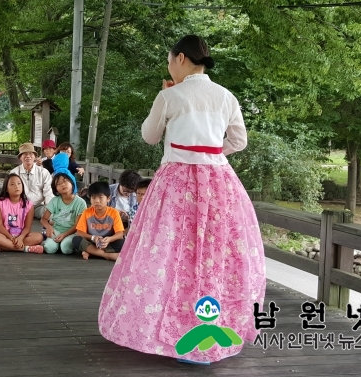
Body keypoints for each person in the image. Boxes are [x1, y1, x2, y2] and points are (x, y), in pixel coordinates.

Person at [98, 35, 265, 365]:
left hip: (176, 182)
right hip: (219, 182)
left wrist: (166, 98)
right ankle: (213, 330)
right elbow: (239, 141)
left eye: (170, 59)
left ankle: (169, 331)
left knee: (167, 253)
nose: (169, 65)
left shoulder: (170, 96)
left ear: (182, 59)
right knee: (215, 254)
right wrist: (213, 155)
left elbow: (149, 136)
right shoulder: (226, 97)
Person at [41, 154, 87, 255]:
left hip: (73, 231)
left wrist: (65, 235)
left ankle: (66, 243)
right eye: (58, 183)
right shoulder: (54, 201)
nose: (62, 184)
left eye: (65, 181)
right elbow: (44, 219)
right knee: (49, 248)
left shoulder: (80, 202)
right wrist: (49, 227)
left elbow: (77, 225)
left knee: (66, 249)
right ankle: (54, 242)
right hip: (56, 229)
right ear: (55, 189)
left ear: (72, 183)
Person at [70, 181, 124, 261]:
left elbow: (120, 234)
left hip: (107, 242)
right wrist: (93, 237)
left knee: (122, 242)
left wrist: (109, 239)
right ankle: (106, 255)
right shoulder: (87, 212)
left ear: (108, 198)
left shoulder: (114, 212)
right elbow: (79, 232)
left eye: (100, 197)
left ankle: (91, 252)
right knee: (76, 240)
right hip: (92, 241)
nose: (97, 201)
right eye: (94, 198)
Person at [0, 173, 44, 253]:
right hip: (5, 235)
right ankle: (25, 248)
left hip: (22, 236)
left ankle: (3, 247)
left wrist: (20, 238)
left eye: (19, 183)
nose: (16, 186)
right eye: (12, 184)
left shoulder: (29, 205)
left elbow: (27, 228)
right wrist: (11, 238)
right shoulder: (0, 203)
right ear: (6, 189)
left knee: (39, 237)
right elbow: (0, 226)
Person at [10, 142, 54, 220]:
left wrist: (48, 207)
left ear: (35, 156)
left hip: (38, 206)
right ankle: (22, 214)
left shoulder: (43, 172)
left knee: (51, 213)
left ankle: (28, 215)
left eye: (30, 153)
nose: (28, 156)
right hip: (20, 206)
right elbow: (10, 192)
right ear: (20, 157)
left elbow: (48, 192)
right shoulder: (14, 173)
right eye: (24, 154)